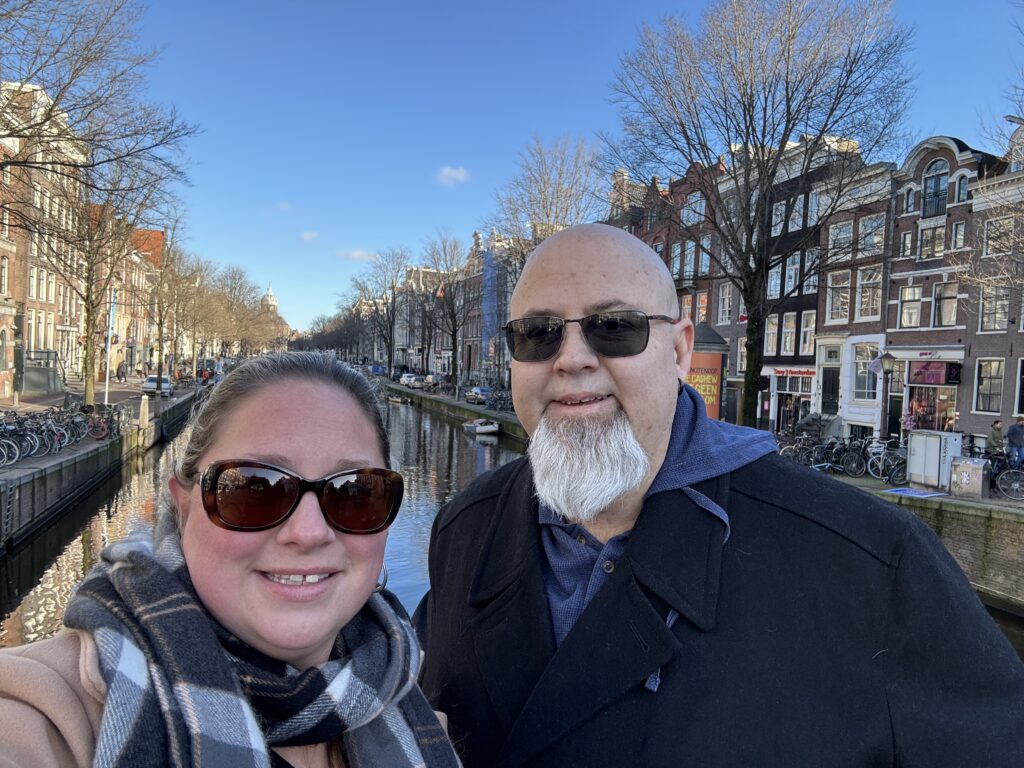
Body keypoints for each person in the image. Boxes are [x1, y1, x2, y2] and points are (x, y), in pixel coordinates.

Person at [414, 223, 1024, 767]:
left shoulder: (872, 562)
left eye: (615, 327)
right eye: (539, 333)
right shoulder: (463, 528)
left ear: (679, 350)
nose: (571, 358)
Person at [0, 352, 459, 768]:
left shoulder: (419, 718)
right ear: (183, 506)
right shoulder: (59, 714)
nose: (308, 533)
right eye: (254, 489)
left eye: (355, 493)